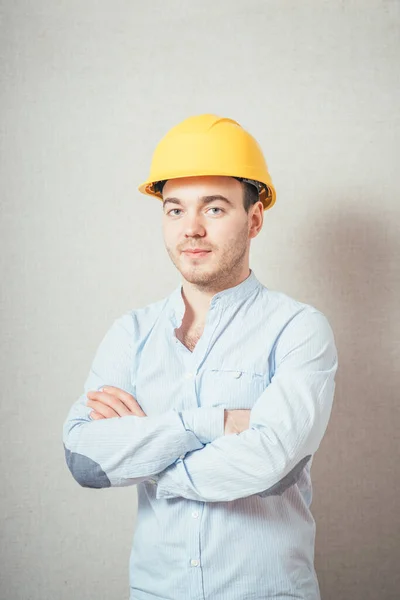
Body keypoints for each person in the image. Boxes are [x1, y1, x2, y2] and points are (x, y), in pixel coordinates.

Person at [63, 114, 338, 600]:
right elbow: (86, 459)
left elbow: (268, 462)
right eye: (174, 210)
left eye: (213, 209)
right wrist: (219, 423)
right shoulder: (130, 334)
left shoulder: (298, 329)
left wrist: (144, 457)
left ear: (254, 219)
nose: (191, 229)